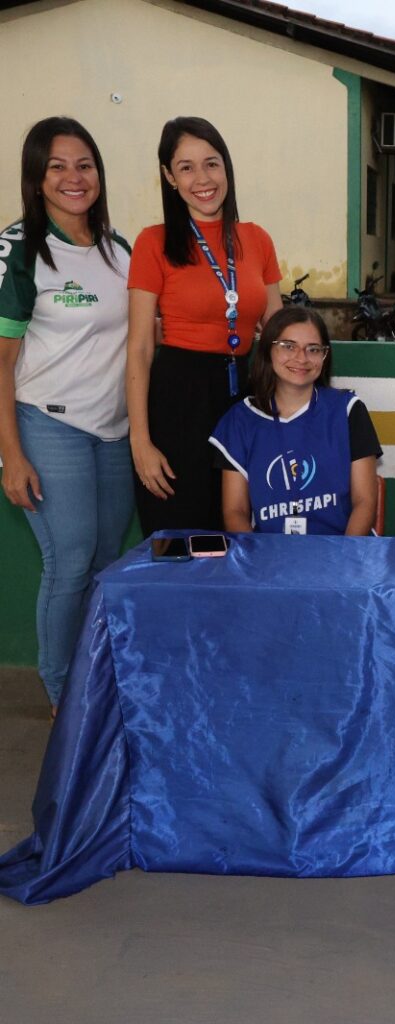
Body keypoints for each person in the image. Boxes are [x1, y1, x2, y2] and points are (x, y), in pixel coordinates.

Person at [0, 117, 133, 712]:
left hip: (114, 432)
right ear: (36, 177)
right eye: (57, 166)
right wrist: (11, 455)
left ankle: (97, 680)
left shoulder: (118, 248)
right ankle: (62, 697)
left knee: (106, 562)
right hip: (48, 425)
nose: (73, 178)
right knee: (70, 562)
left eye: (84, 165)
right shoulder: (19, 249)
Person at [126, 116, 283, 535]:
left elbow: (278, 333)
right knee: (180, 545)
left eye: (212, 163)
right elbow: (139, 347)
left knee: (241, 539)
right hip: (178, 402)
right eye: (186, 167)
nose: (203, 179)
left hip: (245, 398)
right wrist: (140, 441)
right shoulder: (153, 242)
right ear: (169, 177)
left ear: (226, 166)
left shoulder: (257, 239)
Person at [209, 307, 380, 535]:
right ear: (268, 350)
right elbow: (235, 512)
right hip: (268, 551)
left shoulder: (348, 410)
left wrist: (344, 554)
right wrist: (259, 557)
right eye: (288, 346)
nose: (301, 358)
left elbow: (364, 502)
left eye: (313, 349)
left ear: (325, 356)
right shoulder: (240, 420)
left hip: (342, 548)